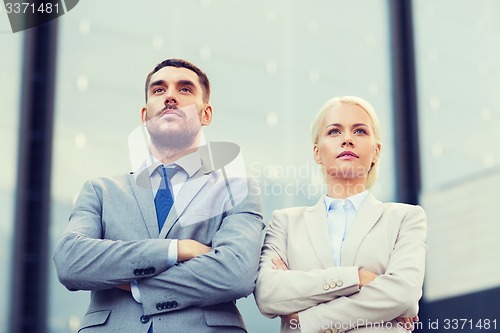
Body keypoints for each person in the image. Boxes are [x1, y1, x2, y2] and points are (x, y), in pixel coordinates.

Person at [53, 58, 264, 333]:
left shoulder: (238, 190)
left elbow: (235, 274)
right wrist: (176, 249)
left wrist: (133, 283)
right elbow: (71, 261)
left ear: (206, 114)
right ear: (144, 115)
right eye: (159, 90)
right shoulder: (100, 190)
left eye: (185, 90)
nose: (170, 97)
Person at [254, 96, 427, 333]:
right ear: (317, 152)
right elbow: (268, 295)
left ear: (376, 151)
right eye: (334, 132)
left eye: (360, 131)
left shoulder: (405, 218)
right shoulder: (285, 222)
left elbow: (404, 295)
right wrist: (356, 277)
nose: (347, 139)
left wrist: (306, 319)